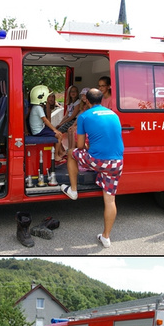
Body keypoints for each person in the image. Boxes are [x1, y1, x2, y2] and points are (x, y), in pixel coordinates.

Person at [61, 87, 124, 247]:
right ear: (102, 100)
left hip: (98, 160)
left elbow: (80, 146)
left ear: (86, 101)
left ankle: (73, 190)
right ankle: (106, 237)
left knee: (70, 152)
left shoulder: (85, 116)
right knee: (110, 200)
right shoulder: (114, 114)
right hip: (116, 163)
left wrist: (87, 146)